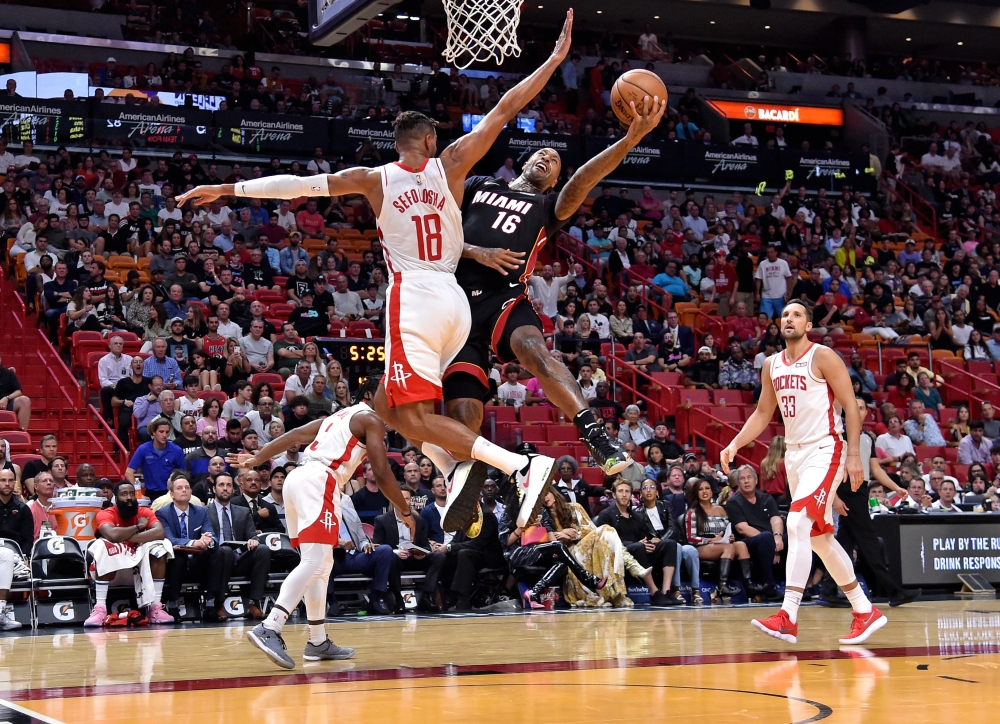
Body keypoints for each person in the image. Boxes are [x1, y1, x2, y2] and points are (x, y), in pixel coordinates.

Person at [179, 13, 579, 540]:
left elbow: (295, 185)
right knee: (387, 409)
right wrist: (551, 61)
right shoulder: (452, 164)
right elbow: (505, 109)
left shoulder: (373, 179)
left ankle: (517, 467)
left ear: (399, 143)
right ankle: (456, 472)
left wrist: (231, 190)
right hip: (456, 303)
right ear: (432, 142)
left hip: (414, 295)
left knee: (411, 419)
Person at [444, 93, 667, 489]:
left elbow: (584, 178)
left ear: (553, 181)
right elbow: (434, 232)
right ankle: (467, 482)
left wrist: (630, 140)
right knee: (464, 411)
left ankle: (595, 435)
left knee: (536, 350)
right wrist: (477, 251)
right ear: (526, 162)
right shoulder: (479, 185)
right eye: (542, 154)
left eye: (556, 162)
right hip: (454, 305)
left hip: (505, 298)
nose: (548, 159)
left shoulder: (547, 207)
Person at [721, 299, 887, 646]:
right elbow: (763, 413)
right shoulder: (771, 365)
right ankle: (864, 610)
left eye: (796, 315)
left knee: (796, 523)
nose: (789, 319)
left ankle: (788, 615)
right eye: (784, 315)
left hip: (826, 448)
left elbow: (852, 410)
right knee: (818, 539)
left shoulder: (823, 356)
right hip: (794, 457)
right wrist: (734, 444)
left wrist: (854, 455)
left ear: (808, 324)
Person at [226, 376, 414, 669]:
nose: (392, 404)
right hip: (319, 480)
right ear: (368, 395)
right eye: (388, 396)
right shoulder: (370, 419)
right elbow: (381, 470)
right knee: (315, 562)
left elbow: (296, 435)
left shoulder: (340, 416)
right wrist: (404, 510)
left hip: (297, 479)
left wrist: (257, 458)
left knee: (321, 563)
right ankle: (271, 626)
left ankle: (317, 641)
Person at [819, 397, 921, 607]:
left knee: (845, 545)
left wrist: (896, 487)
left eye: (862, 408)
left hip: (860, 491)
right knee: (870, 544)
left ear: (866, 413)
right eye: (854, 408)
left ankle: (828, 591)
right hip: (847, 491)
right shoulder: (840, 437)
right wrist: (835, 497)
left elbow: (875, 470)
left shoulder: (867, 439)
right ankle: (893, 591)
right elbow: (830, 471)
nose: (859, 411)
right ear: (846, 412)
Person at [83, 480, 175, 626]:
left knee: (162, 545)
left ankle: (155, 608)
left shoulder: (144, 512)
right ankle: (100, 609)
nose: (129, 498)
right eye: (124, 494)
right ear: (116, 498)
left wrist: (126, 536)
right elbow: (112, 535)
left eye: (132, 493)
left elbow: (160, 532)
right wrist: (138, 527)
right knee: (101, 544)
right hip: (112, 570)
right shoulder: (105, 514)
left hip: (140, 569)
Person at [156, 475, 230, 621]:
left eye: (187, 487)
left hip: (197, 562)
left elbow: (212, 535)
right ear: (171, 494)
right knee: (179, 557)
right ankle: (173, 606)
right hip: (175, 563)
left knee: (218, 552)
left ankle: (210, 605)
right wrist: (194, 542)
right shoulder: (162, 513)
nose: (184, 490)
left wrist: (208, 541)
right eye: (179, 488)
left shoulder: (201, 511)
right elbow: (169, 539)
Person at [595, 478, 679, 606]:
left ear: (631, 495)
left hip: (639, 552)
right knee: (639, 547)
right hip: (618, 555)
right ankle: (654, 593)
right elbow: (605, 542)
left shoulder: (636, 516)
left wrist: (649, 543)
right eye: (620, 491)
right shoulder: (606, 515)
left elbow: (644, 537)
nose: (624, 495)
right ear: (614, 495)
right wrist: (637, 544)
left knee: (669, 544)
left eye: (627, 492)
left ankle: (666, 591)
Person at [373, 487, 446, 613]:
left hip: (414, 557)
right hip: (396, 559)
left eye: (406, 498)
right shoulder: (382, 520)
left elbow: (425, 545)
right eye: (400, 498)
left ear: (411, 501)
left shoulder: (418, 520)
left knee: (439, 557)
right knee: (390, 558)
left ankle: (426, 597)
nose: (403, 501)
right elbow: (378, 546)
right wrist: (396, 552)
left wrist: (422, 552)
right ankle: (398, 600)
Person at [684, 478, 754, 601]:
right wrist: (710, 540)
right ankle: (722, 586)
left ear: (712, 491)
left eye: (707, 488)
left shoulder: (721, 509)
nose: (704, 491)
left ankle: (748, 585)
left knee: (741, 545)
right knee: (728, 547)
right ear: (696, 493)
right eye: (700, 489)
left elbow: (727, 529)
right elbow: (691, 538)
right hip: (701, 547)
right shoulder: (692, 512)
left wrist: (730, 536)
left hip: (722, 544)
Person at [124, 419, 187, 500]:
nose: (164, 435)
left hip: (170, 493)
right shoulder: (143, 449)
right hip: (150, 493)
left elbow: (183, 473)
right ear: (153, 432)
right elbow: (129, 472)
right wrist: (136, 493)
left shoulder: (176, 450)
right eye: (161, 432)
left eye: (167, 432)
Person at [0, 468, 30, 629]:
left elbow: (27, 539)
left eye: (10, 480)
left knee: (8, 555)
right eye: (3, 480)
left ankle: (0, 613)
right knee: (5, 553)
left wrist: (24, 557)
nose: (7, 484)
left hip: (15, 559)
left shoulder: (23, 508)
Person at [0, 356, 30, 432]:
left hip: (6, 404)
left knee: (25, 400)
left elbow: (18, 391)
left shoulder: (8, 374)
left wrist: (7, 398)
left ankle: (22, 434)